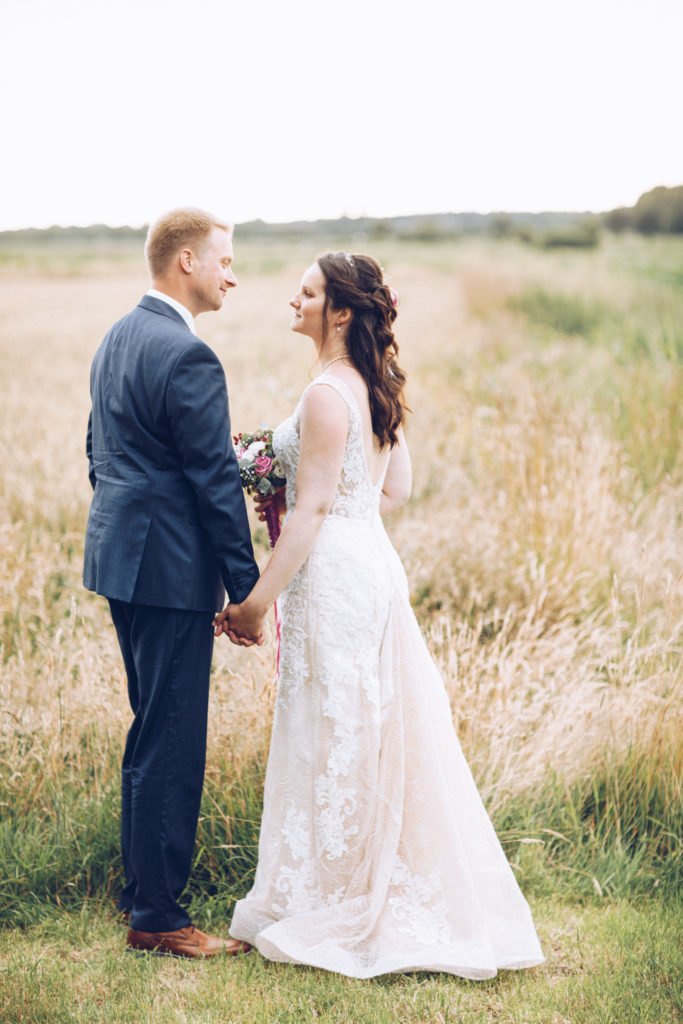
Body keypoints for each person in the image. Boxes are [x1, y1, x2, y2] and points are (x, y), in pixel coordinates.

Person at [215, 251, 545, 978]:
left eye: (305, 293)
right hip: (369, 565)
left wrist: (252, 604)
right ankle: (333, 882)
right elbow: (391, 492)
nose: (291, 302)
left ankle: (332, 896)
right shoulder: (372, 388)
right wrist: (323, 505)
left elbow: (313, 507)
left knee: (330, 726)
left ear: (339, 310)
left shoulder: (327, 396)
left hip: (332, 575)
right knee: (360, 726)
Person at [83, 208, 259, 959]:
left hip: (123, 562)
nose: (232, 273)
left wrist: (128, 527)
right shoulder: (188, 354)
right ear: (184, 261)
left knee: (150, 728)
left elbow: (96, 451)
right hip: (169, 572)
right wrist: (247, 591)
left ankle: (141, 895)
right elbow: (215, 480)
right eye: (223, 259)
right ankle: (158, 917)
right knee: (173, 739)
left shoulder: (117, 337)